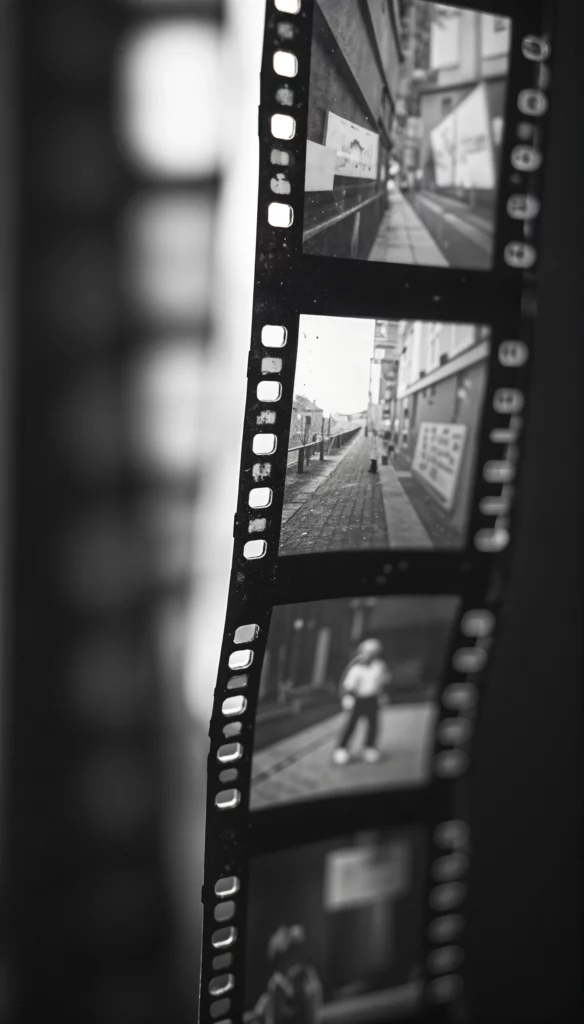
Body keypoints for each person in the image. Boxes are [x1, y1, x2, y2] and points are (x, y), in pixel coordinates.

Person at [245, 924, 323, 1024]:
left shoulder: (305, 969)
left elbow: (310, 984)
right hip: (278, 1002)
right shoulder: (275, 962)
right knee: (272, 991)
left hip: (298, 1003)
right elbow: (275, 982)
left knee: (313, 987)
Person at [332, 638, 392, 765]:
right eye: (368, 652)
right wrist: (348, 697)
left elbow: (383, 682)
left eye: (373, 653)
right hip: (358, 700)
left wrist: (382, 695)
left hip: (372, 699)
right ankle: (342, 748)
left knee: (373, 725)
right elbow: (348, 685)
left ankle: (369, 747)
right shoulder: (356, 668)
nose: (370, 655)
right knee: (351, 724)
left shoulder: (379, 666)